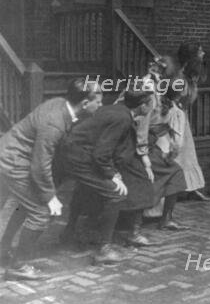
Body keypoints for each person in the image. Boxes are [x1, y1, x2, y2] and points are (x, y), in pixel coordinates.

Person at [0, 78, 103, 280]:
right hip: (13, 161)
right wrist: (50, 197)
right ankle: (19, 266)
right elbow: (40, 166)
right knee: (40, 212)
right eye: (98, 102)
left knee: (27, 205)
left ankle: (3, 250)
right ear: (84, 103)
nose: (100, 105)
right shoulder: (54, 124)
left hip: (10, 156)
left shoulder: (59, 103)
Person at [59, 88, 155, 264]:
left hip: (75, 151)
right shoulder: (123, 118)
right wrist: (113, 175)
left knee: (87, 188)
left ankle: (69, 233)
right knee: (116, 193)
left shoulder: (117, 110)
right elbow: (102, 154)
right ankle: (104, 249)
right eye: (152, 105)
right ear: (143, 106)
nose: (153, 108)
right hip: (78, 156)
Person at [148, 83, 189, 230]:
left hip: (147, 145)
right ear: (182, 93)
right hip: (158, 147)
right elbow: (177, 141)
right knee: (174, 174)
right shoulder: (176, 112)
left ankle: (149, 213)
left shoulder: (154, 103)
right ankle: (166, 218)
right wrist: (172, 155)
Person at [174, 41, 208, 201]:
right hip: (175, 118)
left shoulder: (191, 76)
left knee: (188, 153)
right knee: (178, 152)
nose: (203, 54)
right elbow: (173, 100)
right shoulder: (179, 78)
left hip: (183, 117)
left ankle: (190, 187)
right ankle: (175, 188)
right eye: (200, 52)